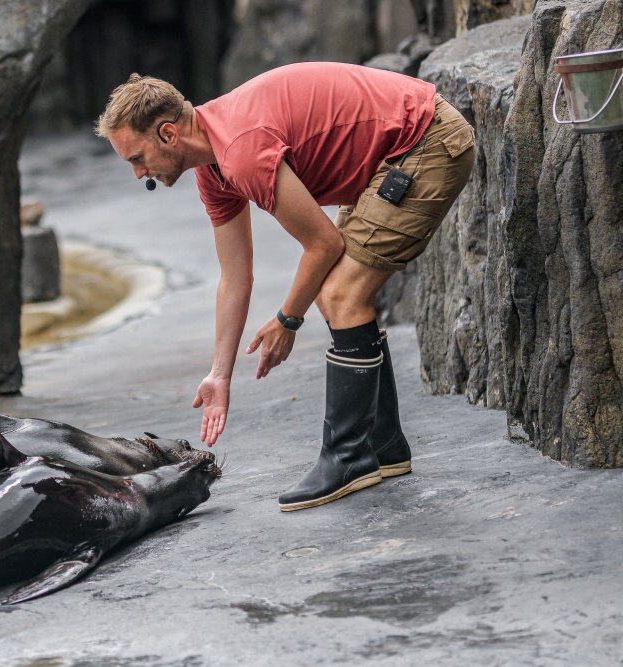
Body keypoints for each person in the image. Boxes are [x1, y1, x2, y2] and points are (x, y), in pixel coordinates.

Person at [95, 63, 475, 511]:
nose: (139, 174)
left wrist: (287, 320)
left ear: (168, 134)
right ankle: (383, 445)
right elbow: (235, 275)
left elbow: (322, 244)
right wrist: (220, 373)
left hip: (426, 140)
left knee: (339, 293)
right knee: (337, 293)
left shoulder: (240, 150)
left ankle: (350, 457)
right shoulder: (213, 168)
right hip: (396, 152)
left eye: (137, 158)